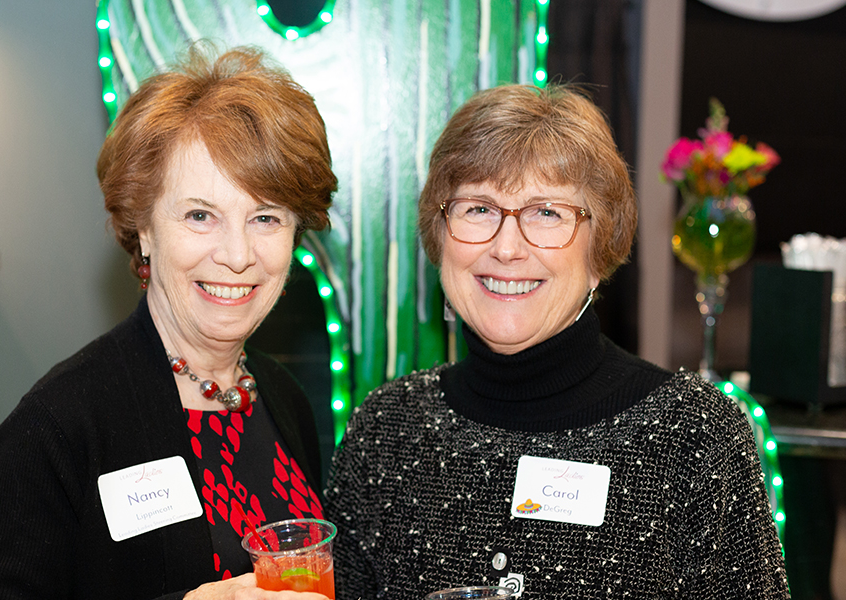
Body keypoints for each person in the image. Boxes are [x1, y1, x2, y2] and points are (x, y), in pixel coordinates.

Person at [324, 84, 788, 599]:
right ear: (440, 235)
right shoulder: (387, 432)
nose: (506, 248)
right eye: (478, 208)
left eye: (546, 212)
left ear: (599, 246)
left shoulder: (694, 438)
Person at [0, 45, 337, 600]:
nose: (237, 254)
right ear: (144, 229)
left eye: (265, 217)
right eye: (200, 215)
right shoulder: (58, 427)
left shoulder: (282, 398)